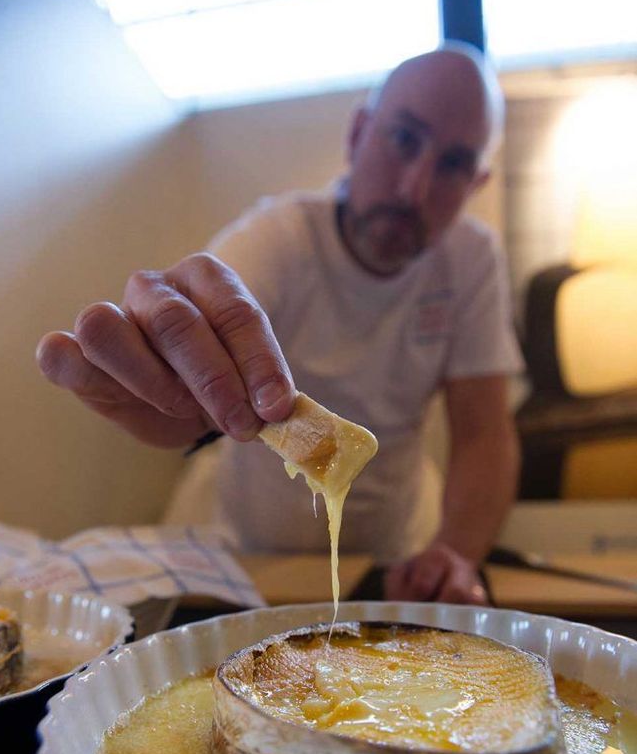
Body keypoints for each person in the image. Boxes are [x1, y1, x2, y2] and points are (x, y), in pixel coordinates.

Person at [37, 43, 522, 604]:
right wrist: (170, 375)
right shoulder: (282, 237)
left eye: (454, 164)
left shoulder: (471, 259)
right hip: (258, 558)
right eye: (404, 139)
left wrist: (456, 553)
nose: (415, 188)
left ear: (477, 183)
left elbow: (484, 433)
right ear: (358, 133)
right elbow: (192, 385)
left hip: (391, 557)